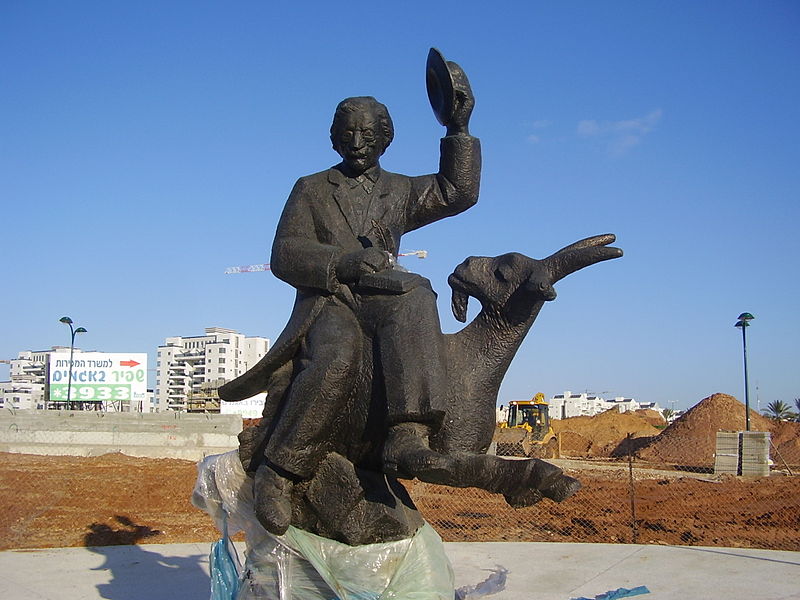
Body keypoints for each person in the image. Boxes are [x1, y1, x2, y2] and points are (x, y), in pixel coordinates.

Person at [221, 71, 480, 535]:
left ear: (386, 138)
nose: (357, 141)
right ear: (334, 138)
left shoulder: (400, 190)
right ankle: (279, 472)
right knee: (339, 357)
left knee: (417, 294)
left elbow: (456, 192)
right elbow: (284, 255)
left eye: (368, 132)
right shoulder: (311, 188)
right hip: (330, 301)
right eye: (347, 132)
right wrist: (343, 261)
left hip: (381, 299)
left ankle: (409, 431)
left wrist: (457, 130)